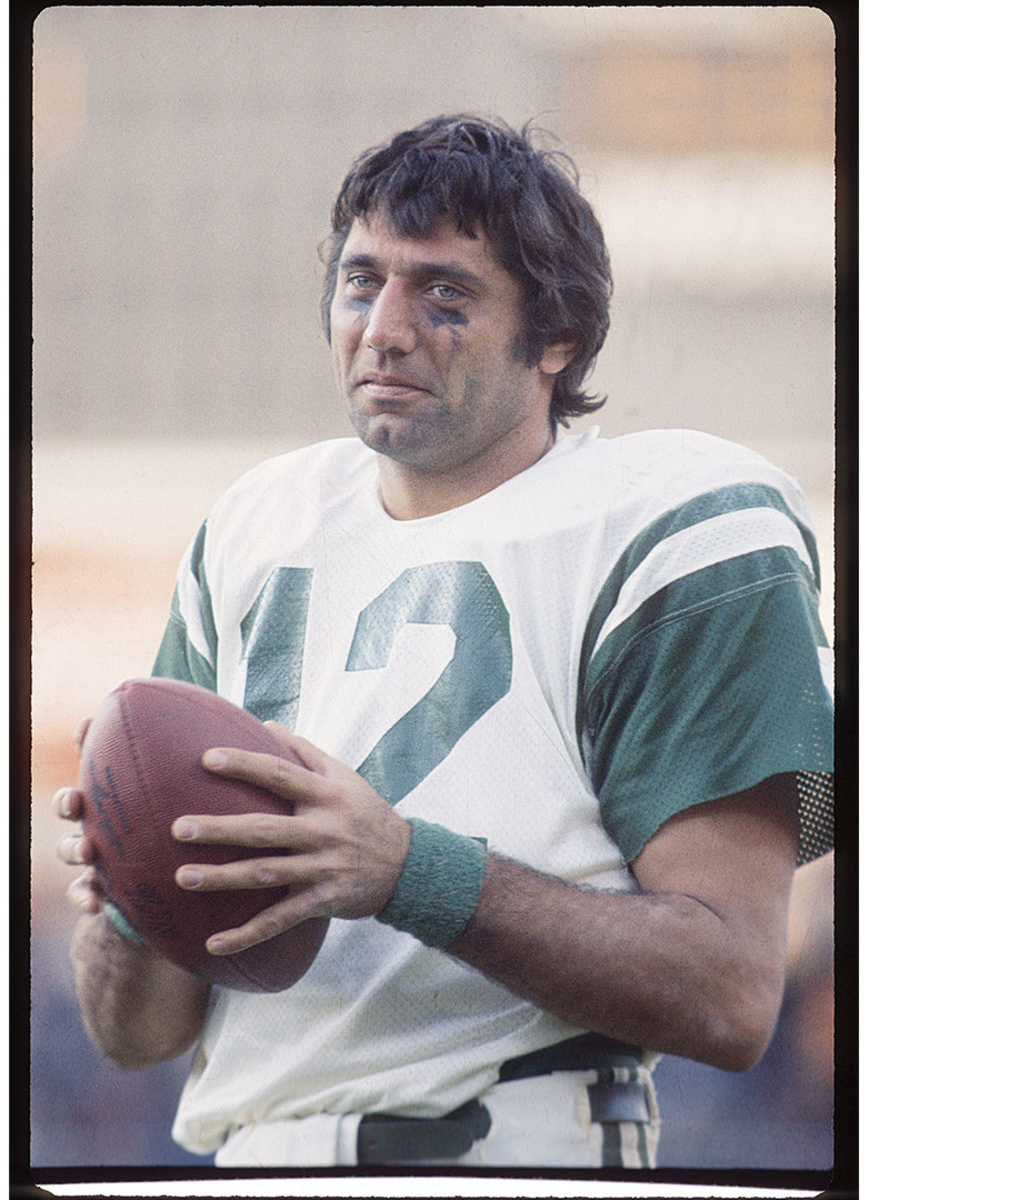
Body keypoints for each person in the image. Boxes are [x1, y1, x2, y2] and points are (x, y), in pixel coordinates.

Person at [54, 113, 835, 1170]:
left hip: (512, 1155)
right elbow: (136, 1034)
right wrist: (126, 886)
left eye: (445, 295)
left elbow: (730, 994)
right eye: (361, 281)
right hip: (245, 1160)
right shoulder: (256, 526)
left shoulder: (671, 521)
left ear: (556, 337)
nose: (384, 327)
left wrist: (405, 871)